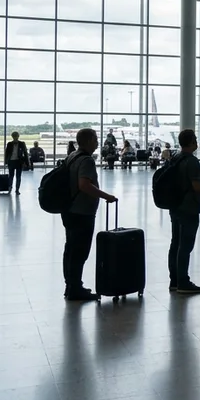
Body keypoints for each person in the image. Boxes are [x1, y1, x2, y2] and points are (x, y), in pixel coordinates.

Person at [61, 128, 117, 302]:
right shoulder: (86, 161)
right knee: (79, 251)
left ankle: (71, 285)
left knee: (70, 249)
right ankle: (75, 288)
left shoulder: (71, 157)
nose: (98, 143)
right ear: (87, 141)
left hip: (69, 209)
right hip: (82, 212)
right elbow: (84, 185)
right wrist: (106, 196)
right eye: (95, 140)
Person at [167, 129, 200, 294]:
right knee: (186, 246)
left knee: (175, 243)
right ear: (190, 143)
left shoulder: (175, 158)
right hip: (188, 208)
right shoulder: (192, 161)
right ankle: (183, 281)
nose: (197, 142)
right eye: (195, 139)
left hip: (174, 206)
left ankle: (174, 280)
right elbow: (196, 186)